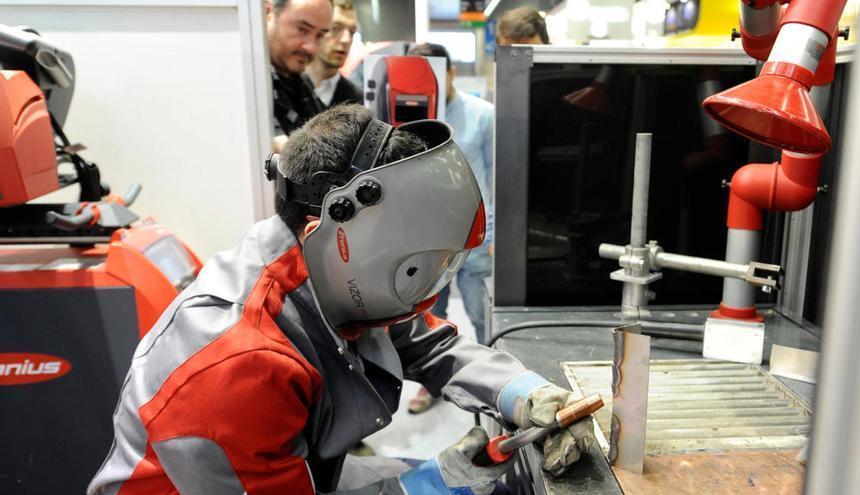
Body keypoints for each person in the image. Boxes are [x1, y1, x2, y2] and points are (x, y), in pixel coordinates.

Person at [87, 105, 595, 494]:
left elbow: (429, 343)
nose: (428, 287)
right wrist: (430, 485)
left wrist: (524, 395)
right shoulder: (236, 363)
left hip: (302, 467)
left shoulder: (333, 268)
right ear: (335, 232)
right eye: (417, 266)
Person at [405, 43, 495, 415]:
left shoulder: (482, 115)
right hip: (428, 237)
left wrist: (496, 234)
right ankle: (432, 385)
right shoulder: (409, 117)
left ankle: (493, 382)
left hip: (475, 234)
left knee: (481, 312)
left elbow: (497, 172)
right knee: (430, 315)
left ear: (451, 72)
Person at [265, 0, 332, 152]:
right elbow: (283, 153)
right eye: (302, 30)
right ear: (268, 13)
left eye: (320, 36)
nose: (311, 47)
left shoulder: (299, 81)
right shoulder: (249, 84)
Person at [305, 0, 363, 107]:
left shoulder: (358, 101)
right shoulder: (285, 88)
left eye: (352, 31)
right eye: (335, 28)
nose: (346, 39)